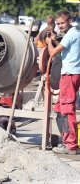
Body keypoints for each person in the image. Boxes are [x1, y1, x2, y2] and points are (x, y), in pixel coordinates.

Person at [46, 10, 80, 155]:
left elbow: (53, 53)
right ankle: (66, 141)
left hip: (69, 74)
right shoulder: (74, 34)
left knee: (67, 109)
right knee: (59, 108)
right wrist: (54, 40)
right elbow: (64, 48)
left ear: (69, 21)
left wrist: (49, 43)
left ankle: (71, 145)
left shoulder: (71, 33)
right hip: (73, 73)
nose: (59, 26)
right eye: (58, 23)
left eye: (62, 23)